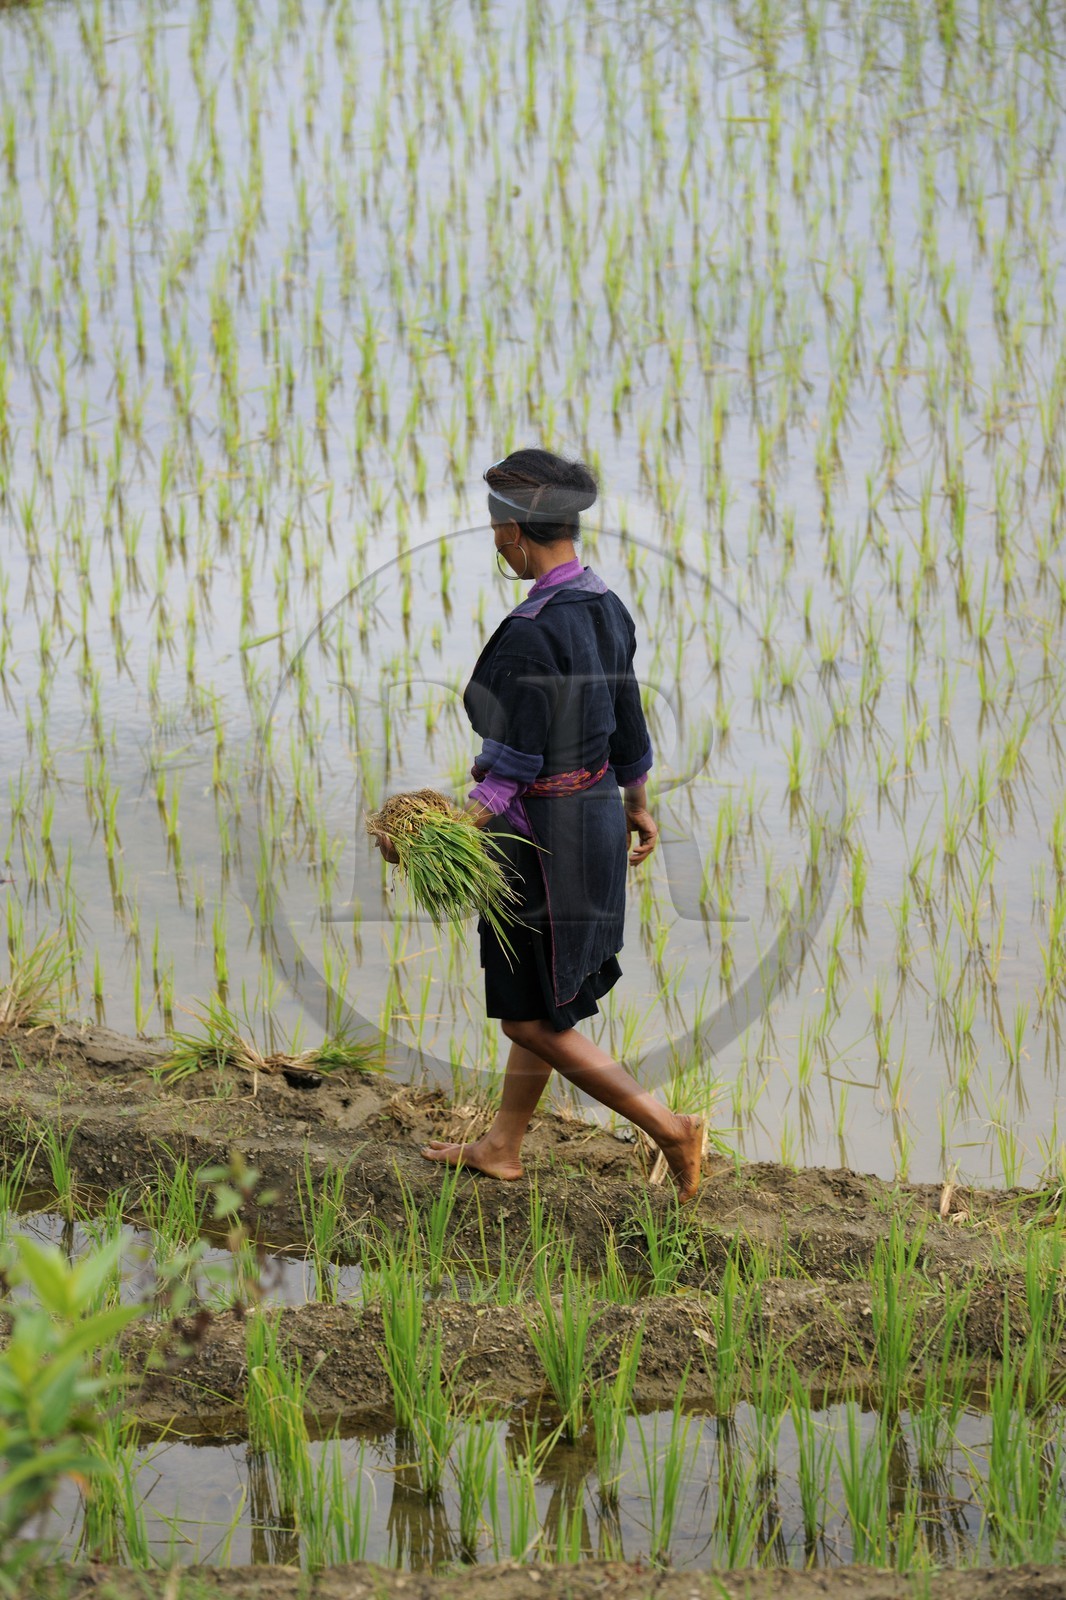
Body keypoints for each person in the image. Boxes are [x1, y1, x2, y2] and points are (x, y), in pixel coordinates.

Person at [373, 449, 704, 1203]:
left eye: (497, 531)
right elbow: (629, 722)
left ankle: (669, 1128)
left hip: (537, 842)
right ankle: (502, 1145)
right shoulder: (606, 605)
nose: (495, 544)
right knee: (546, 1000)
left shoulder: (528, 633)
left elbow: (510, 770)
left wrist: (442, 828)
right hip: (593, 823)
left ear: (516, 533)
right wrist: (637, 801)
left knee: (529, 1020)